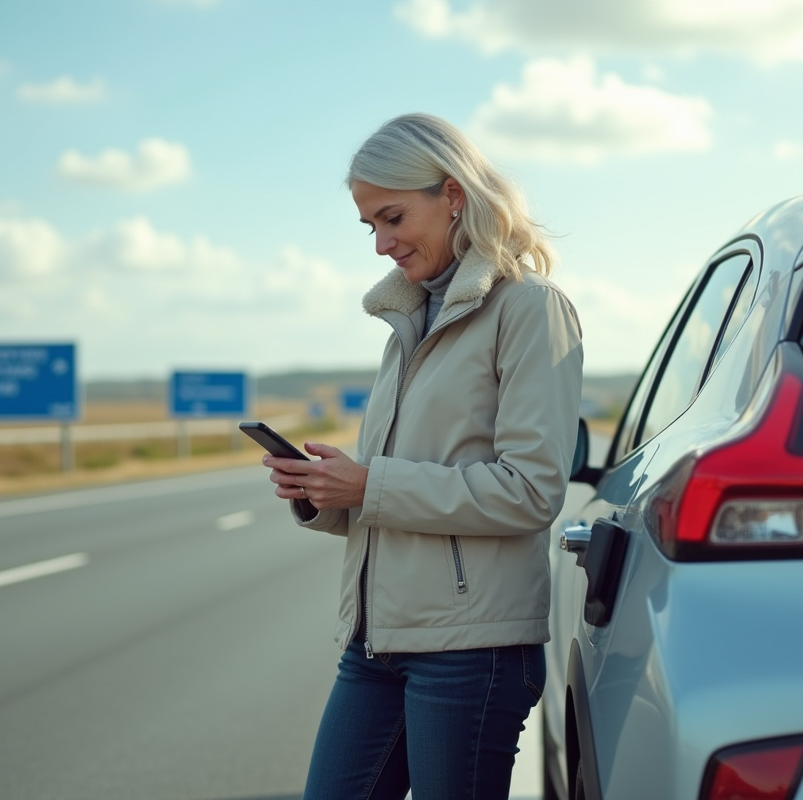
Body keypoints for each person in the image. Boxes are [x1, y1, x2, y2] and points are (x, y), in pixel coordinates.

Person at [260, 113, 583, 800]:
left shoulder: (529, 310)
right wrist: (325, 490)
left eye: (393, 217)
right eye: (369, 226)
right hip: (377, 645)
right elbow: (398, 492)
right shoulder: (411, 321)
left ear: (453, 195)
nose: (380, 244)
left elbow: (530, 492)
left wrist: (370, 483)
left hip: (472, 652)